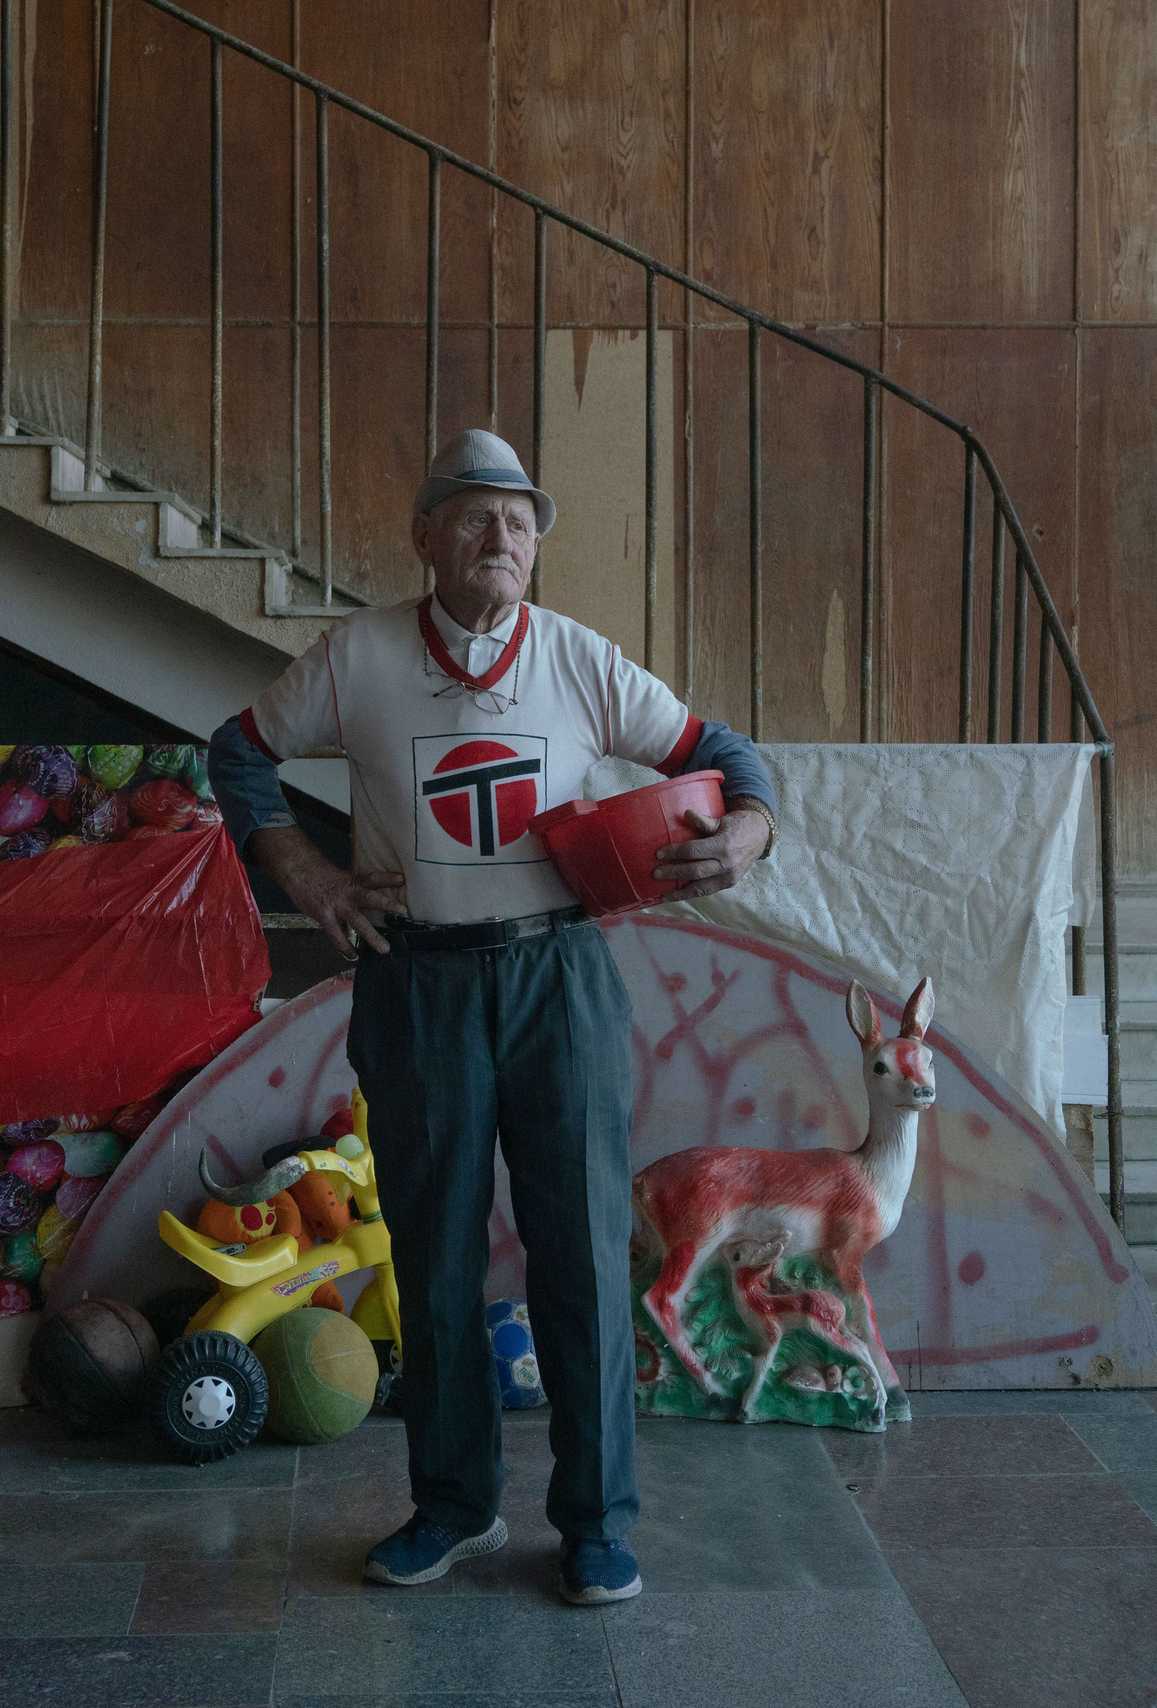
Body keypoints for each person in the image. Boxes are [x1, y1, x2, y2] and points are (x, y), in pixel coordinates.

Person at [208, 428, 775, 1606]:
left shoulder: (577, 658)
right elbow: (239, 754)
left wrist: (751, 824)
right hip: (416, 986)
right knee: (433, 1255)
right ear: (424, 536)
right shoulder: (356, 655)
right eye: (474, 515)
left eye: (519, 521)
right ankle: (454, 1506)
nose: (502, 536)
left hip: (555, 980)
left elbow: (718, 750)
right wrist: (306, 878)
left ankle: (597, 1522)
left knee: (578, 1254)